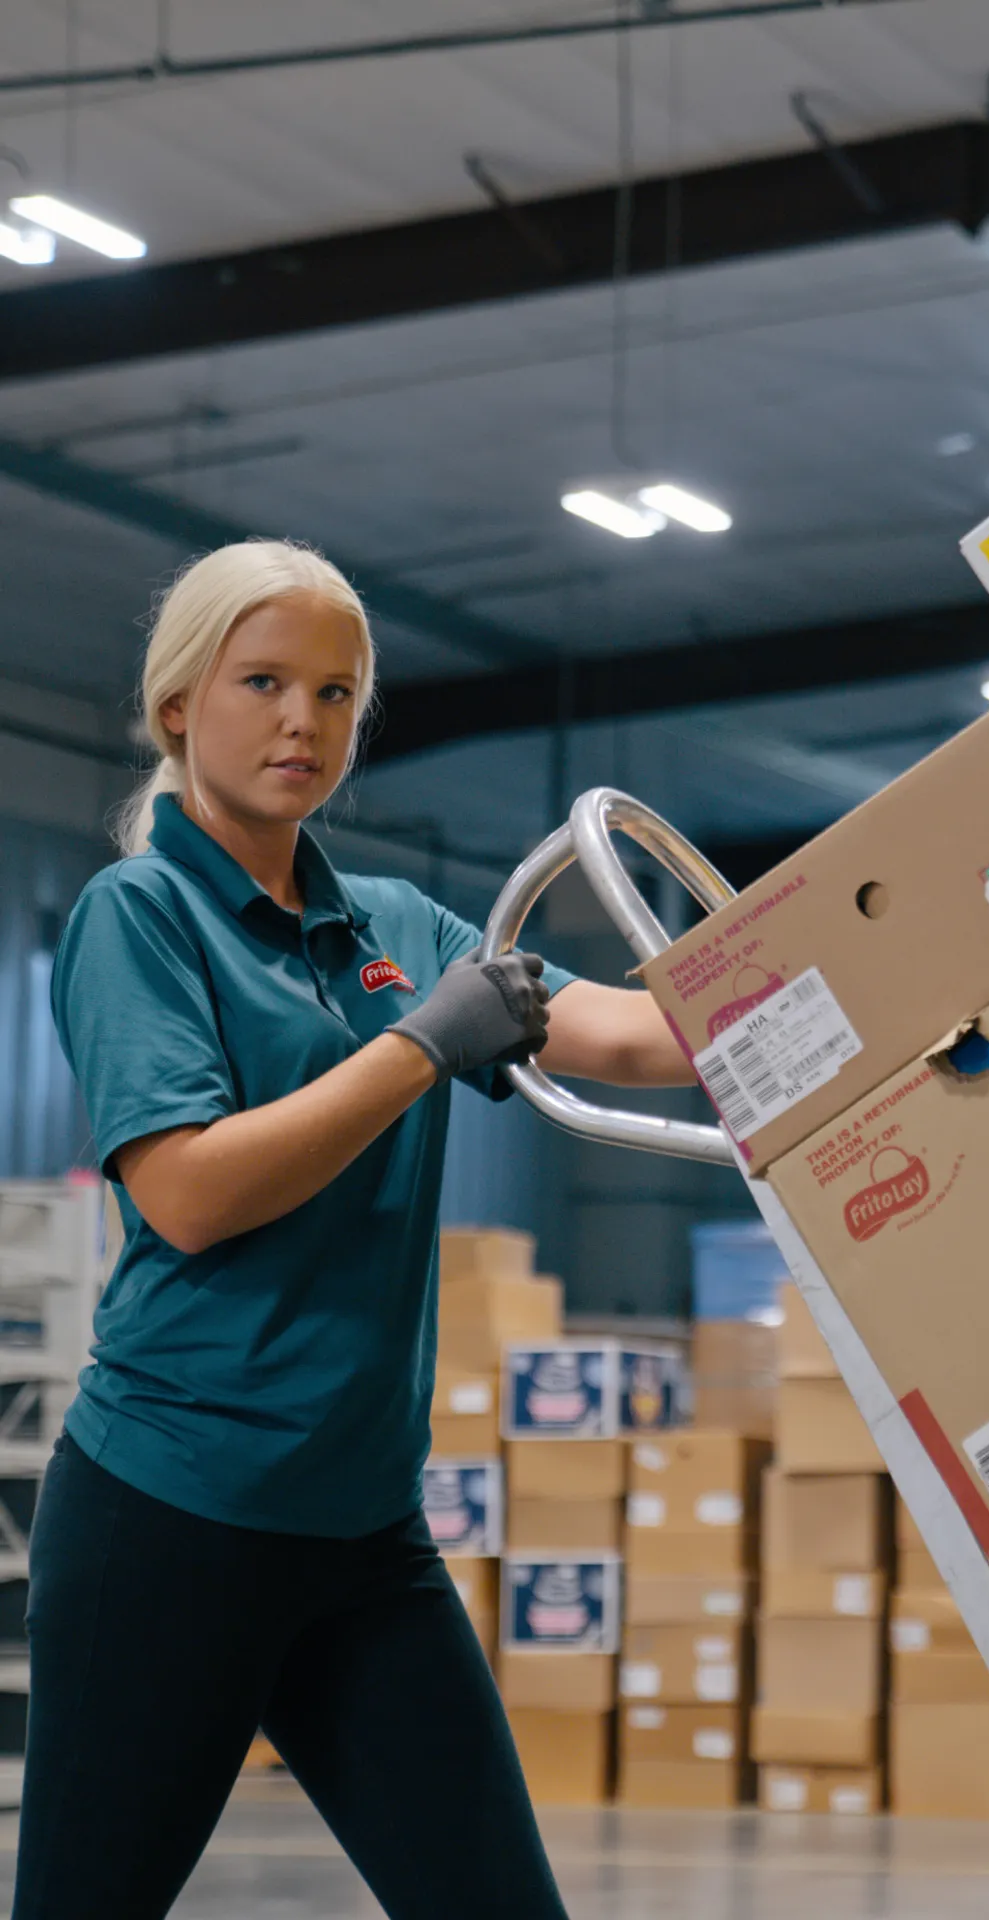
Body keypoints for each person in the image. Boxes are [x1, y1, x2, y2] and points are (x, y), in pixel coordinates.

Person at [16, 539, 694, 1920]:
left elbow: (627, 1028)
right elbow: (192, 1193)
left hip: (361, 1535)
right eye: (262, 681)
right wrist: (421, 1049)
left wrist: (857, 973)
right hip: (173, 1518)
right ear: (175, 710)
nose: (301, 723)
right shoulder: (137, 917)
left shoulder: (391, 922)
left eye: (335, 694)